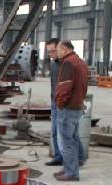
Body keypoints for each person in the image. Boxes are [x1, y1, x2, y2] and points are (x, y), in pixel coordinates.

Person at [54, 40, 88, 181]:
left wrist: (60, 104)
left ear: (65, 49)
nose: (57, 53)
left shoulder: (68, 63)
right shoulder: (80, 62)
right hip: (76, 106)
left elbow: (65, 87)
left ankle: (71, 173)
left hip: (68, 108)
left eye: (58, 50)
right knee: (72, 140)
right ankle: (70, 168)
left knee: (67, 142)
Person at [45, 38, 63, 167]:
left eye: (53, 51)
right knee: (55, 131)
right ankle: (58, 157)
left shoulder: (68, 64)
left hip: (65, 103)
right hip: (55, 102)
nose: (51, 54)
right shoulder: (53, 64)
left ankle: (78, 158)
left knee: (67, 133)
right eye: (49, 52)